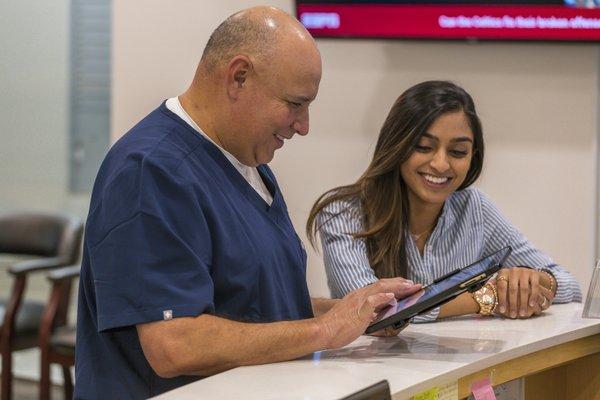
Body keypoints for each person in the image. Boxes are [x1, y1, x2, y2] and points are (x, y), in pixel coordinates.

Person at [74, 6, 421, 399]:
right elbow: (175, 343)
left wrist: (352, 310)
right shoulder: (150, 170)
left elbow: (251, 305)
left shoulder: (246, 162)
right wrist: (324, 331)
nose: (304, 126)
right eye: (295, 104)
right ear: (239, 77)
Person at [307, 81, 582, 331]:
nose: (441, 164)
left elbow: (570, 284)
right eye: (424, 147)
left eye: (457, 152)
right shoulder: (343, 213)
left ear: (473, 156)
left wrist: (534, 283)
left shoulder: (475, 208)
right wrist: (485, 298)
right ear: (397, 145)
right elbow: (372, 312)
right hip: (374, 377)